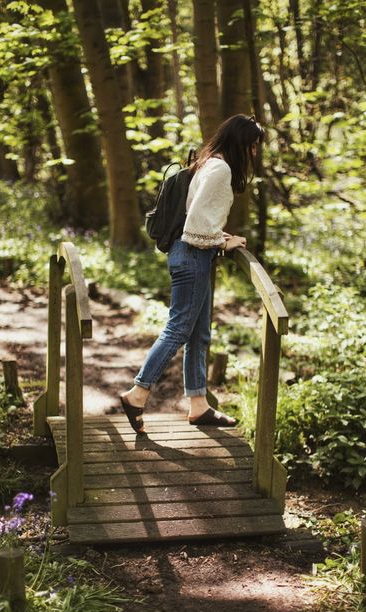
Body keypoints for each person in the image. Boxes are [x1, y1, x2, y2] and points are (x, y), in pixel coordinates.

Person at [120, 114, 265, 433]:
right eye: (253, 146)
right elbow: (196, 224)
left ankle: (198, 405)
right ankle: (137, 393)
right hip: (193, 256)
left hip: (190, 254)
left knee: (199, 334)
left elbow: (198, 215)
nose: (254, 153)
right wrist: (222, 243)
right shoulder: (221, 168)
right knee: (178, 330)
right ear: (242, 143)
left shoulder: (209, 162)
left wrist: (221, 236)